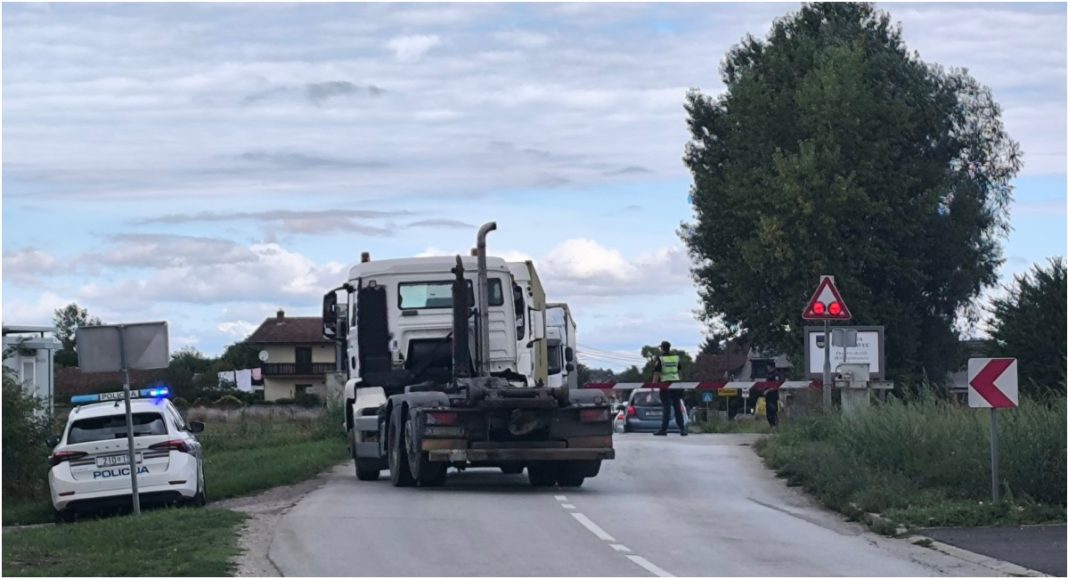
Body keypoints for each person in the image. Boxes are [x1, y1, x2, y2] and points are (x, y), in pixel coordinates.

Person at [652, 341, 687, 436]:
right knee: (677, 408)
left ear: (662, 348)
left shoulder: (661, 359)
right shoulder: (675, 358)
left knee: (666, 408)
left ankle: (663, 430)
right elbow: (680, 372)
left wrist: (653, 385)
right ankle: (682, 429)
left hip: (665, 385)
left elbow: (657, 373)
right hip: (675, 385)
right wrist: (680, 384)